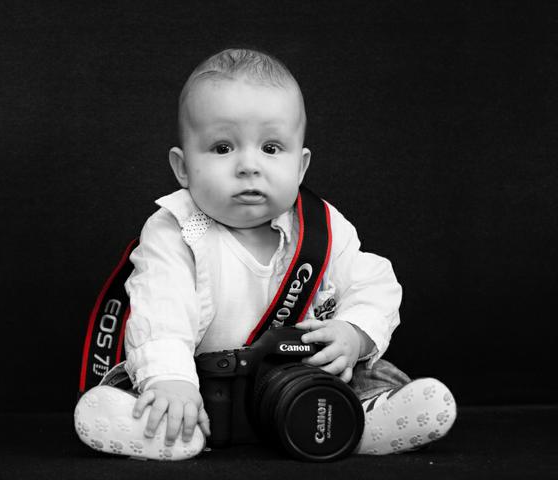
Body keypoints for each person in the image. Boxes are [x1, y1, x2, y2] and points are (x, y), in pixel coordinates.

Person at [75, 48, 456, 460]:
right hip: (203, 381)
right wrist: (170, 378)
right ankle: (170, 427)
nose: (248, 166)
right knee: (147, 385)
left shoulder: (321, 227)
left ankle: (361, 419)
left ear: (301, 166)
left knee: (365, 372)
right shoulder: (177, 230)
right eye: (223, 148)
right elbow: (159, 310)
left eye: (271, 148)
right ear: (182, 168)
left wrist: (354, 332)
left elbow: (374, 283)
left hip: (303, 382)